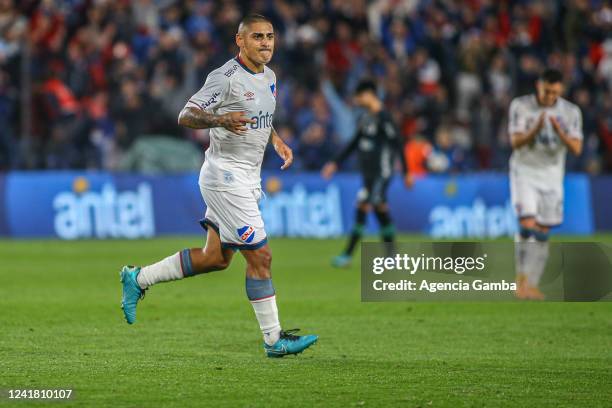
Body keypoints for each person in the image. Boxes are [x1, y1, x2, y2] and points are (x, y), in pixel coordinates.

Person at [119, 14, 318, 358]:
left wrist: (277, 140)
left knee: (215, 258)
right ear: (239, 40)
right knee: (262, 257)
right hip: (225, 178)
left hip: (246, 177)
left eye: (270, 36)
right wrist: (219, 119)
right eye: (257, 36)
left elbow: (260, 116)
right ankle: (274, 340)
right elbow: (186, 114)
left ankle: (137, 279)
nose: (266, 42)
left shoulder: (269, 77)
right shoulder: (224, 78)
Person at [321, 79, 413, 267]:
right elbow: (354, 142)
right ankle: (392, 256)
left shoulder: (384, 117)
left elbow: (398, 143)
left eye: (359, 96)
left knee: (366, 205)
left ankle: (348, 255)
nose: (356, 100)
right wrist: (335, 163)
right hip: (369, 173)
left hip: (382, 172)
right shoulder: (366, 118)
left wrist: (406, 172)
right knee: (378, 207)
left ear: (369, 95)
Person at [509, 68, 583, 299]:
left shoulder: (571, 112)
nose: (550, 97)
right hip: (525, 172)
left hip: (552, 176)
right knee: (527, 223)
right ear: (538, 86)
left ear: (560, 91)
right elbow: (515, 142)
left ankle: (532, 283)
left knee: (542, 231)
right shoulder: (520, 106)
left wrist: (560, 132)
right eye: (546, 92)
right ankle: (520, 280)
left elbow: (577, 148)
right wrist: (535, 129)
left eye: (554, 93)